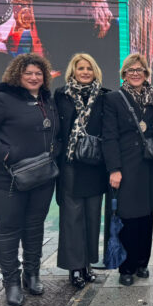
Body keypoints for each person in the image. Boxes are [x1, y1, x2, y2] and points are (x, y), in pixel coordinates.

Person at [0, 53, 60, 306]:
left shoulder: (46, 101)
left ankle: (32, 274)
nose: (34, 77)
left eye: (38, 74)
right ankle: (11, 282)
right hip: (3, 180)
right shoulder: (1, 100)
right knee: (8, 230)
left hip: (40, 176)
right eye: (28, 73)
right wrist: (7, 153)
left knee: (34, 227)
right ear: (17, 75)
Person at [102, 53, 153, 286]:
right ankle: (126, 266)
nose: (135, 74)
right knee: (127, 216)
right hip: (126, 166)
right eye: (131, 70)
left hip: (149, 166)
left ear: (146, 74)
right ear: (124, 74)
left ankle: (142, 262)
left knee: (146, 216)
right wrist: (114, 169)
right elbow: (109, 137)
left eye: (140, 70)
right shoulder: (115, 99)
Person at [54, 53, 109, 289]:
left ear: (95, 71)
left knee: (92, 217)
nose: (85, 72)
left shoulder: (105, 97)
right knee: (72, 218)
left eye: (89, 68)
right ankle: (74, 268)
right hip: (70, 166)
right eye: (80, 68)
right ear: (73, 72)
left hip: (95, 166)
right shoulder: (61, 95)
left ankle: (87, 265)